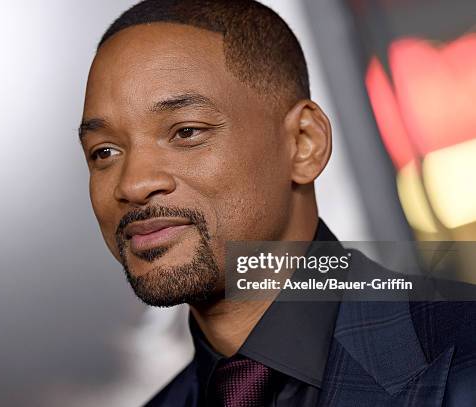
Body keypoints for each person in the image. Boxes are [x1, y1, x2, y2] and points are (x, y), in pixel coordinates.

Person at [78, 0, 476, 405]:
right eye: (104, 152)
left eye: (185, 132)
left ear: (304, 143)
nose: (134, 183)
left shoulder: (462, 353)